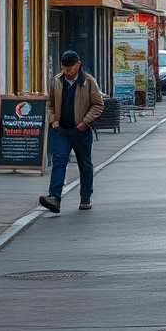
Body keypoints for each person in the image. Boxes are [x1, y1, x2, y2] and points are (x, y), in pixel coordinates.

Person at [39, 50, 104, 214]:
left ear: (78, 64)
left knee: (85, 164)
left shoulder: (88, 82)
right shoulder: (57, 81)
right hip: (61, 130)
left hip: (81, 131)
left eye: (70, 68)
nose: (67, 72)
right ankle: (54, 198)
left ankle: (85, 197)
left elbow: (98, 105)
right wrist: (53, 120)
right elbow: (51, 103)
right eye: (64, 68)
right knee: (59, 161)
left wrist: (85, 123)